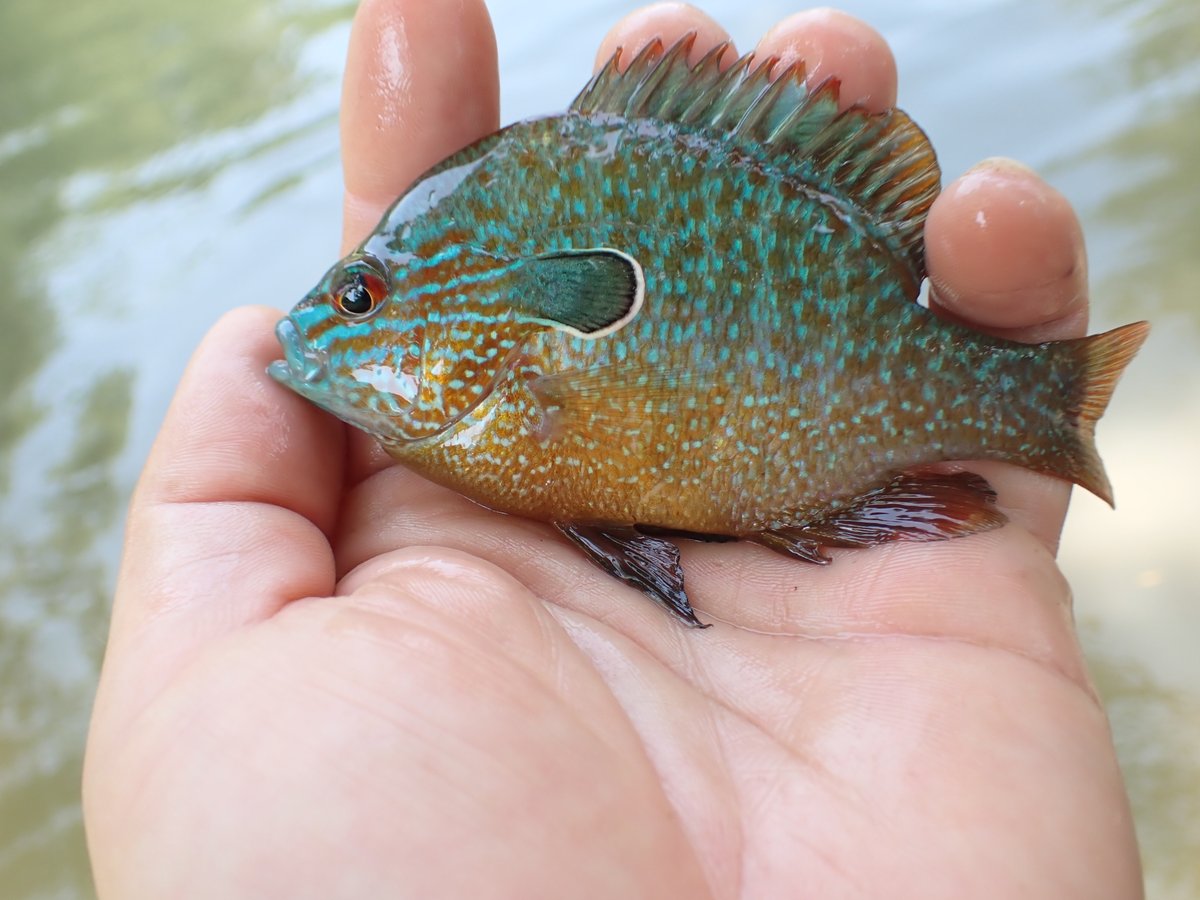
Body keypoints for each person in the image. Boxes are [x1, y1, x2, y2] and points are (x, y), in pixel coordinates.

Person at [82, 2, 1143, 897]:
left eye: (361, 299)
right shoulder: (491, 397)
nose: (318, 331)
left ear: (476, 308)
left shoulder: (506, 384)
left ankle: (1046, 409)